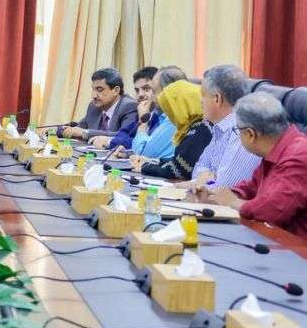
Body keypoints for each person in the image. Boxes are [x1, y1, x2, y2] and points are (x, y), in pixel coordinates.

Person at [190, 92, 307, 238]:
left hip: (297, 247)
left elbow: (271, 211)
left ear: (250, 134)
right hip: (275, 240)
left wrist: (232, 201)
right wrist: (214, 194)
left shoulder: (298, 156)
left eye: (237, 130)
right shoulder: (277, 149)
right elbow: (251, 187)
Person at [180, 65, 261, 189]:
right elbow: (199, 167)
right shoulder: (220, 128)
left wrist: (196, 184)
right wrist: (205, 177)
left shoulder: (242, 132)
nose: (201, 101)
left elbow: (224, 189)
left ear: (217, 99)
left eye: (203, 95)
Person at [132, 80, 212, 180]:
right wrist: (154, 161)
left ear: (180, 107)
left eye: (170, 111)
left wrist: (145, 167)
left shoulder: (200, 130)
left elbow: (179, 170)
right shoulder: (193, 126)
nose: (170, 117)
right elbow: (179, 160)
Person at [60, 68, 138, 141]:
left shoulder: (129, 106)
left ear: (116, 90)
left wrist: (85, 133)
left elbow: (125, 135)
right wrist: (62, 130)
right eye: (93, 89)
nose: (93, 96)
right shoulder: (93, 107)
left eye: (99, 90)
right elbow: (79, 128)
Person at [89, 66, 157, 151]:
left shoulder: (163, 117)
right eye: (137, 90)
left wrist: (109, 141)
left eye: (146, 89)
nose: (140, 94)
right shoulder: (143, 112)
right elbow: (124, 135)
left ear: (159, 89)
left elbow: (149, 147)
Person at [128, 66, 183, 159]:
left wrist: (143, 123)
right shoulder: (162, 114)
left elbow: (143, 153)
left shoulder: (175, 119)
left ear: (167, 92)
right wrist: (128, 153)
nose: (152, 96)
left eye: (154, 91)